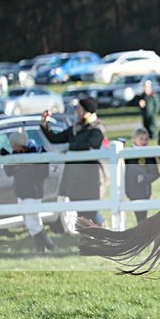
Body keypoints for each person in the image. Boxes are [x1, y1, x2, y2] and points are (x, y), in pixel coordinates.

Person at [40, 96, 106, 226]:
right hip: (74, 177)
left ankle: (104, 234)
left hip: (88, 178)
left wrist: (70, 148)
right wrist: (45, 124)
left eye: (79, 108)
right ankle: (89, 240)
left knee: (91, 212)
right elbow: (55, 139)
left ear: (88, 111)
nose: (77, 111)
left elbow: (91, 145)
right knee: (80, 213)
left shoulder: (97, 128)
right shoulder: (75, 128)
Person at [0, 130, 56, 252]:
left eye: (14, 144)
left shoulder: (34, 153)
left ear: (20, 144)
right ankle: (41, 249)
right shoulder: (15, 154)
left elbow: (42, 173)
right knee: (31, 221)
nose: (12, 146)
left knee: (32, 222)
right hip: (20, 193)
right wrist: (7, 160)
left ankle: (50, 246)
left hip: (33, 193)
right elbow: (9, 173)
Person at [125, 127, 160, 223]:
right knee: (137, 216)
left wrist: (145, 178)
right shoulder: (127, 154)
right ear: (134, 139)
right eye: (141, 139)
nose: (144, 142)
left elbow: (156, 173)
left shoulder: (148, 155)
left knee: (142, 217)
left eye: (146, 139)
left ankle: (142, 235)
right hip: (131, 190)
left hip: (144, 190)